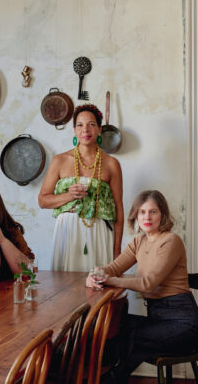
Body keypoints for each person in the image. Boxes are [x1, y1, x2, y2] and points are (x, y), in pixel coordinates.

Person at [86, 190, 198, 380]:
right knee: (109, 328)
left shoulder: (171, 241)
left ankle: (108, 378)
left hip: (182, 323)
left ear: (162, 214)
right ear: (136, 216)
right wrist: (93, 275)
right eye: (142, 212)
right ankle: (109, 377)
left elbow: (148, 284)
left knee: (130, 336)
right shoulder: (138, 242)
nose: (147, 217)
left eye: (153, 212)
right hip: (157, 319)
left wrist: (110, 280)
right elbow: (113, 268)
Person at [38, 103, 124, 271]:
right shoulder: (59, 161)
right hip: (67, 231)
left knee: (99, 286)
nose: (85, 130)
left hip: (99, 231)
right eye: (80, 125)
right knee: (64, 289)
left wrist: (117, 250)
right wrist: (68, 196)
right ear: (75, 130)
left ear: (100, 129)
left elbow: (119, 208)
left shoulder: (112, 164)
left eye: (91, 124)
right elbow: (42, 200)